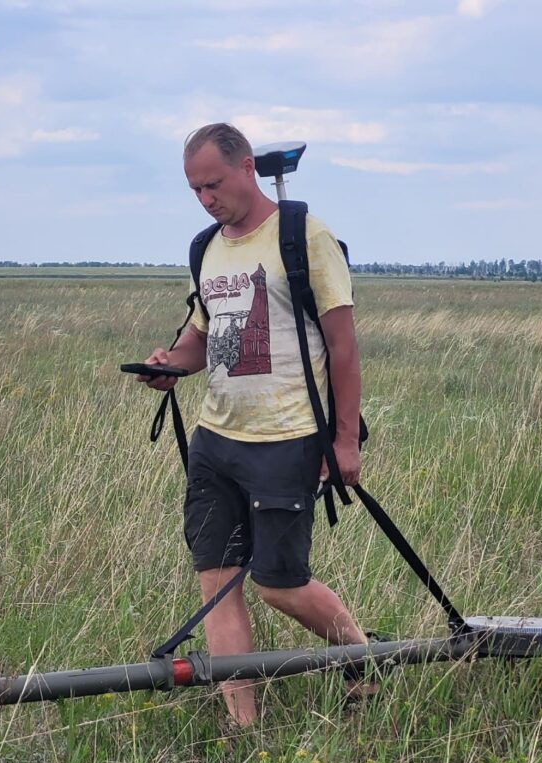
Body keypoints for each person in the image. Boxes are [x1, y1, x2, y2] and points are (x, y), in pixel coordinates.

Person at [139, 122, 375, 728]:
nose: (205, 199)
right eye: (194, 189)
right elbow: (201, 338)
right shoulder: (206, 248)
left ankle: (361, 659)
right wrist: (170, 365)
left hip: (288, 438)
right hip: (216, 442)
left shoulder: (304, 237)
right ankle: (244, 729)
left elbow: (344, 348)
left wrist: (344, 440)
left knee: (279, 583)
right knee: (216, 581)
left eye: (213, 184)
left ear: (247, 167)